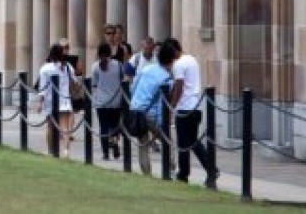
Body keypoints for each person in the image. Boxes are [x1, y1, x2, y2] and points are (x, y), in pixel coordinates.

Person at [166, 37, 219, 189]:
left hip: (185, 107)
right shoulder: (192, 59)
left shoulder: (179, 64)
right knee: (191, 141)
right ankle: (190, 171)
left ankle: (198, 170)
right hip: (195, 107)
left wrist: (172, 106)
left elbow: (179, 86)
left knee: (186, 143)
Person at [128, 43, 175, 175]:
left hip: (136, 110)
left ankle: (146, 174)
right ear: (171, 61)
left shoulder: (147, 69)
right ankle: (170, 169)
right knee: (168, 141)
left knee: (143, 145)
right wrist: (163, 122)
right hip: (151, 114)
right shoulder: (166, 78)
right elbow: (162, 103)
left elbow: (133, 88)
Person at [37, 43, 78, 158]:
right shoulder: (68, 67)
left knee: (51, 125)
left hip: (51, 101)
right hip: (64, 99)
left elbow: (42, 87)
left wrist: (40, 102)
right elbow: (75, 82)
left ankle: (51, 150)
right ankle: (66, 150)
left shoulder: (45, 68)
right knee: (65, 127)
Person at [90, 43, 123, 160]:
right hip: (115, 101)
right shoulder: (118, 65)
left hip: (101, 101)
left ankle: (105, 152)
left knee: (103, 126)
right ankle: (114, 142)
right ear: (110, 52)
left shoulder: (95, 67)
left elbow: (94, 84)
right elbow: (122, 82)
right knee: (114, 125)